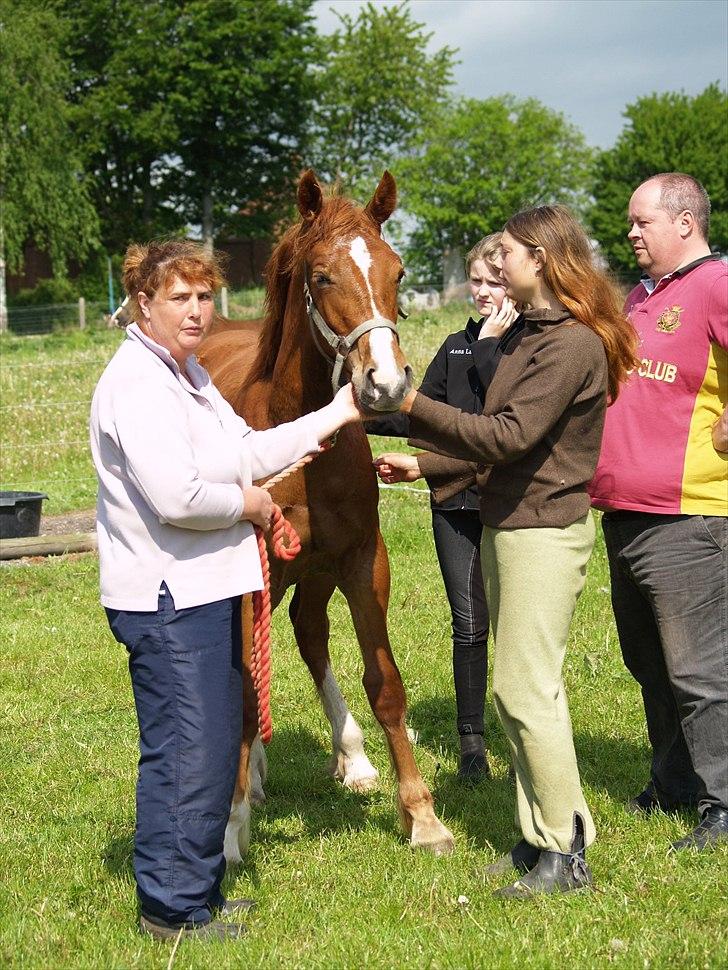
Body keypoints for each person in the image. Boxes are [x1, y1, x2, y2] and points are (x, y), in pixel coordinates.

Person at [90, 240, 360, 940]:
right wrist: (255, 506)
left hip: (203, 587)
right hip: (165, 597)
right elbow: (178, 497)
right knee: (185, 749)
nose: (196, 311)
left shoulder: (187, 377)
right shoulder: (138, 384)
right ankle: (171, 911)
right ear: (142, 303)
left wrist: (336, 414)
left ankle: (196, 891)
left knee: (211, 746)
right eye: (178, 297)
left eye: (205, 296)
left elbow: (244, 449)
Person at [375, 205, 638, 898]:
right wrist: (429, 466)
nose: (500, 266)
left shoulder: (570, 344)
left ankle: (566, 849)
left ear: (543, 261)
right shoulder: (531, 335)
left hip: (543, 534)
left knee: (527, 689)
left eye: (512, 255)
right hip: (511, 523)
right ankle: (537, 836)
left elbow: (508, 436)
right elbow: (504, 448)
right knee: (519, 689)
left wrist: (410, 404)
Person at [589, 173, 728, 851]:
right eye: (629, 224)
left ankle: (722, 804)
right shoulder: (640, 296)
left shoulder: (716, 284)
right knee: (650, 663)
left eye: (642, 222)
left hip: (690, 515)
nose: (632, 234)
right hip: (624, 510)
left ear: (684, 222)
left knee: (699, 669)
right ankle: (673, 783)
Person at [367, 233, 519, 782]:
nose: (482, 292)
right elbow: (419, 412)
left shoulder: (526, 346)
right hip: (453, 503)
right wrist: (354, 418)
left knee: (516, 623)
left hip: (509, 505)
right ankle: (471, 742)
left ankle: (526, 733)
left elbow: (500, 425)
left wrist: (492, 344)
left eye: (494, 282)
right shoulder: (456, 344)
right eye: (476, 281)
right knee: (469, 621)